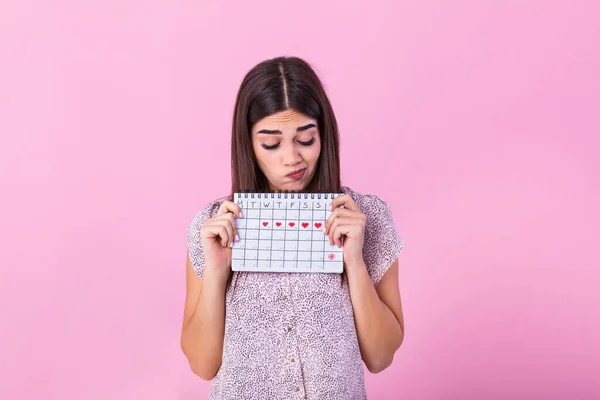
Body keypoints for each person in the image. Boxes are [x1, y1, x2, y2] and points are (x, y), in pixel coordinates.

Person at [181, 56, 405, 399]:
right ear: (249, 145)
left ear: (324, 135)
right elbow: (202, 364)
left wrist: (355, 264)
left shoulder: (366, 217)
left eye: (306, 139)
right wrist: (216, 271)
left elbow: (380, 356)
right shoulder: (214, 227)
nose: (292, 159)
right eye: (271, 144)